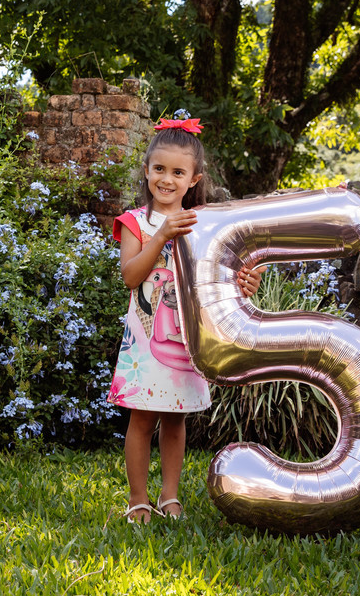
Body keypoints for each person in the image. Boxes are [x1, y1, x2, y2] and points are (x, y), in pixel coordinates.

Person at [107, 117, 262, 523]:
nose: (167, 179)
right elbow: (130, 275)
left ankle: (169, 496)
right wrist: (161, 236)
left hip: (186, 337)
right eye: (159, 169)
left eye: (178, 172)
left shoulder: (204, 224)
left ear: (194, 179)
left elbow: (220, 280)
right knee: (141, 418)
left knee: (176, 418)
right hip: (145, 338)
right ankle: (137, 499)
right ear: (146, 170)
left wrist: (244, 283)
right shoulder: (134, 222)